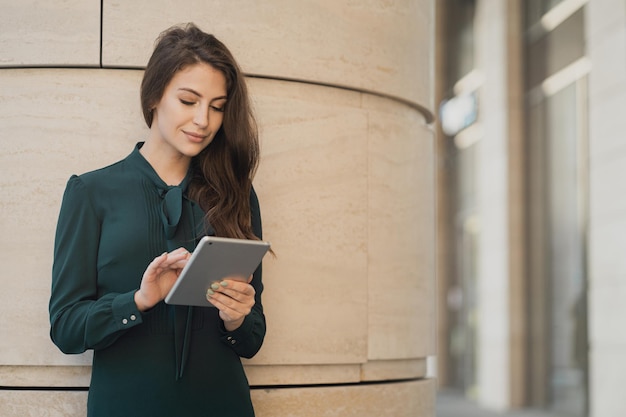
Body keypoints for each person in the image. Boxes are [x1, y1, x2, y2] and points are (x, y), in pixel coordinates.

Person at [49, 23, 266, 417]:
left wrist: (238, 318)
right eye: (188, 100)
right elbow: (65, 327)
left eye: (217, 107)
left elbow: (252, 339)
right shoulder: (91, 192)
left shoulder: (236, 195)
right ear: (153, 97)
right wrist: (138, 300)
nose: (204, 120)